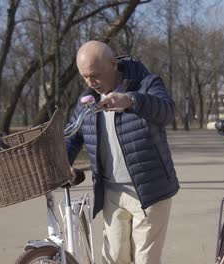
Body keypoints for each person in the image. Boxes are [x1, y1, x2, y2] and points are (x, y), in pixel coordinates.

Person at [65, 40, 179, 264]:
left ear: (112, 64)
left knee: (144, 259)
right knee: (114, 258)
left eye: (95, 75)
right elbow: (72, 136)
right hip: (111, 193)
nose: (90, 82)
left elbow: (167, 112)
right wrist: (63, 162)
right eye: (85, 77)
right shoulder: (87, 101)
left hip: (149, 191)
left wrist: (131, 100)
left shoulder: (146, 83)